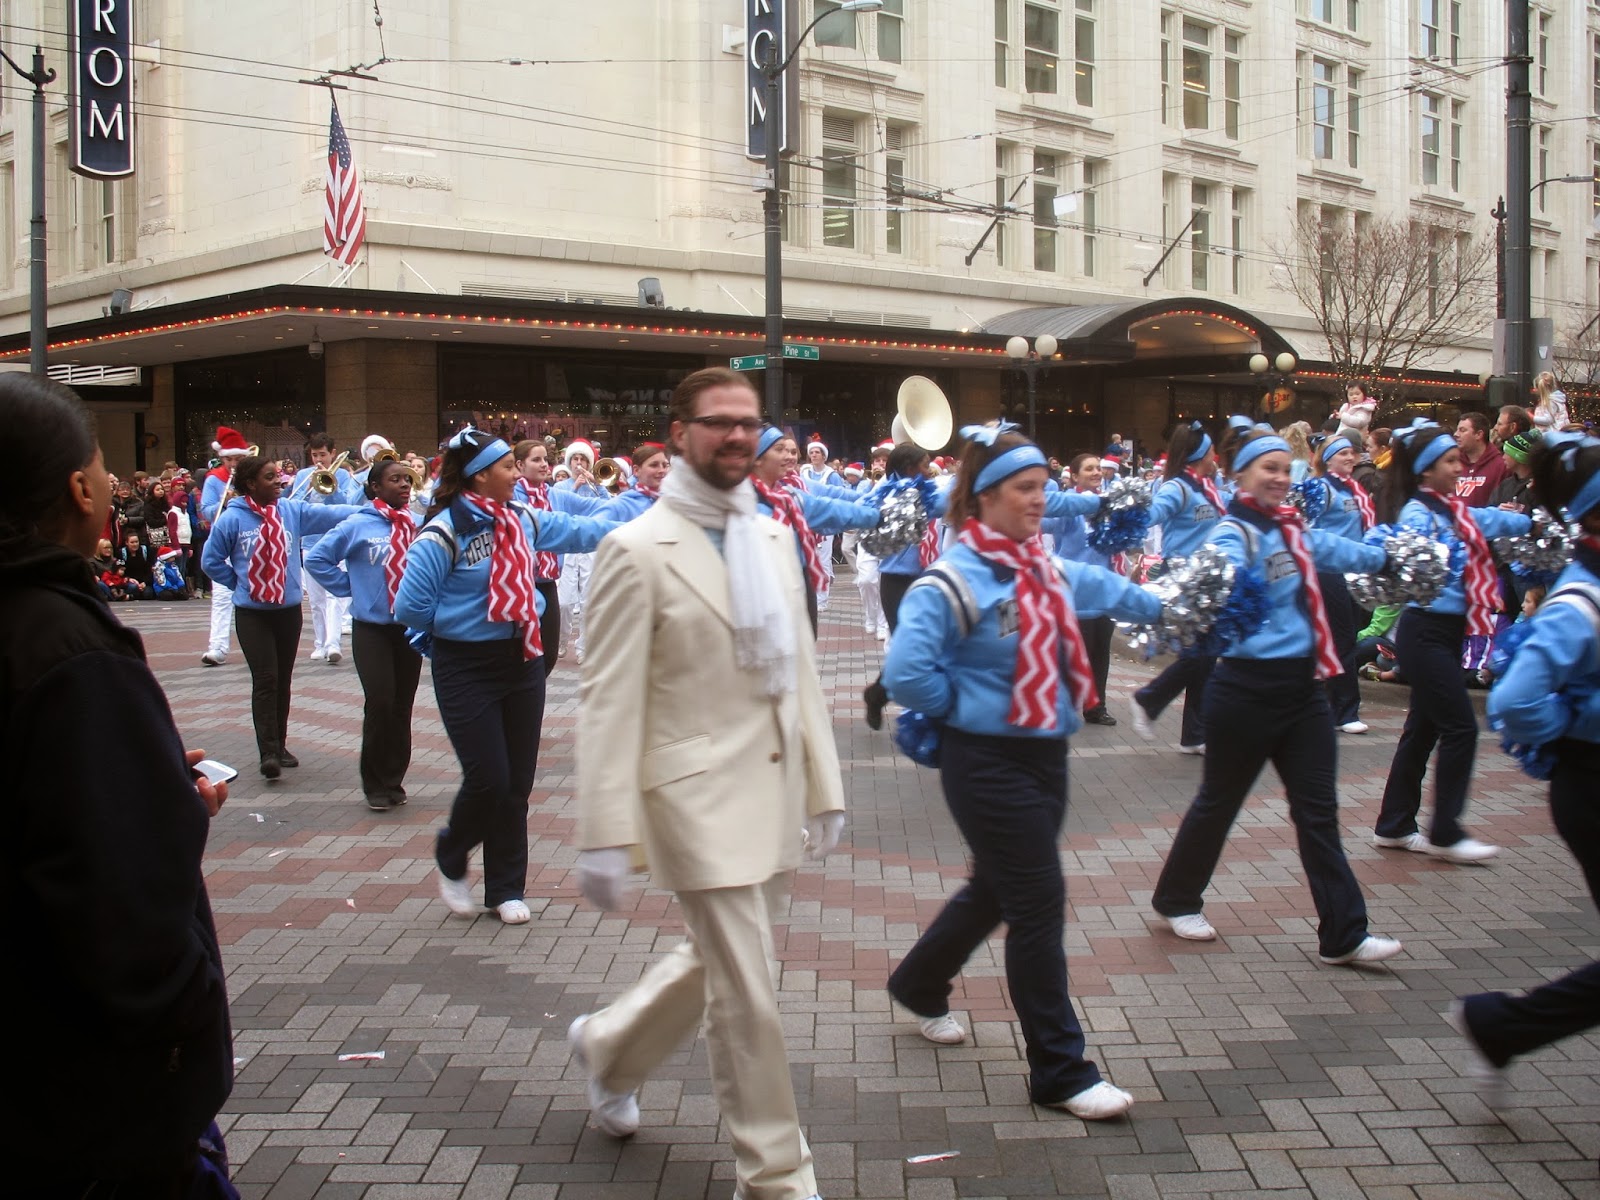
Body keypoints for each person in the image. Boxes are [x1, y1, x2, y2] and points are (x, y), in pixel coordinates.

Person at [569, 367, 845, 1200]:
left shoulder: (768, 534)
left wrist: (823, 783)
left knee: (720, 965)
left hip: (769, 788)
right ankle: (776, 1174)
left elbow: (797, 663)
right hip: (691, 797)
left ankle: (611, 1044)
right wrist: (603, 830)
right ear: (680, 432)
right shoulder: (633, 549)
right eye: (718, 422)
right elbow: (608, 698)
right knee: (750, 994)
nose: (735, 436)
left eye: (747, 423)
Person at [883, 422, 1162, 1121]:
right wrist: (967, 710)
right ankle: (1060, 1070)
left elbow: (1104, 588)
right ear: (983, 496)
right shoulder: (952, 580)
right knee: (1037, 905)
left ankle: (919, 981)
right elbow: (906, 673)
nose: (1042, 499)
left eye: (1044, 487)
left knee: (999, 892)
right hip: (985, 763)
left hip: (1046, 753)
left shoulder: (1043, 566)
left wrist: (1176, 607)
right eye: (1026, 488)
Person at [0, 374, 237, 1194]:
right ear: (80, 485)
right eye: (102, 464)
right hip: (83, 1091)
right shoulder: (66, 650)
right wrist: (183, 1031)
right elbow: (121, 903)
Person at [1150, 427, 1403, 966]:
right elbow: (1204, 582)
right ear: (1239, 474)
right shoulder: (1231, 536)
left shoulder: (1295, 529)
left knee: (1318, 814)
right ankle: (1176, 899)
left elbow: (1339, 549)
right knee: (1219, 803)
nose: (1280, 478)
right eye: (1268, 468)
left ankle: (1344, 934)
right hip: (1246, 692)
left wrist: (1388, 558)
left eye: (1286, 468)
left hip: (1305, 693)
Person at [394, 428, 617, 924]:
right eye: (508, 467)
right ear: (479, 476)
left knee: (517, 782)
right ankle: (452, 853)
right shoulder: (441, 534)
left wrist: (648, 512)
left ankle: (505, 888)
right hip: (465, 665)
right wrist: (460, 627)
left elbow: (581, 530)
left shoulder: (522, 518)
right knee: (488, 777)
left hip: (523, 659)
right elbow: (411, 606)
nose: (518, 474)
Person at [1453, 433, 1600, 1105]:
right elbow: (1515, 700)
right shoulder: (1579, 604)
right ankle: (1499, 1025)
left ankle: (1502, 1026)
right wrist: (1570, 731)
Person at [1372, 420, 1532, 862]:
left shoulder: (1450, 509)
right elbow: (1414, 560)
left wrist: (1527, 520)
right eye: (1448, 461)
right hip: (1424, 633)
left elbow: (1487, 518)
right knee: (1460, 727)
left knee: (1421, 731)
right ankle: (1445, 832)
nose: (1459, 467)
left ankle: (1393, 826)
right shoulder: (1419, 515)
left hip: (1443, 635)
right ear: (1426, 470)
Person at [202, 456, 363, 777]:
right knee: (266, 679)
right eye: (270, 477)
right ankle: (268, 752)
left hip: (287, 611)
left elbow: (331, 514)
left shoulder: (290, 511)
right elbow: (211, 560)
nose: (279, 481)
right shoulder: (232, 519)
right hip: (252, 614)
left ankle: (280, 743)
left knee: (283, 679)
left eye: (278, 476)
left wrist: (369, 510)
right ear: (251, 484)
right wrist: (240, 584)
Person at [305, 460, 425, 811]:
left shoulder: (416, 524)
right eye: (395, 480)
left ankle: (393, 779)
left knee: (402, 707)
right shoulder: (357, 524)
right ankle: (373, 782)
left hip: (408, 628)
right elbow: (318, 559)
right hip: (371, 629)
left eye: (407, 479)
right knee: (381, 702)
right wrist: (352, 588)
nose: (404, 484)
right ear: (374, 487)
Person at [1130, 422, 1225, 752]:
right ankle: (1148, 699)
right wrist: (1128, 514)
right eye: (1212, 451)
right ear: (1201, 455)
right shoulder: (1177, 489)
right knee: (1202, 653)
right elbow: (1152, 514)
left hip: (1207, 579)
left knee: (1206, 657)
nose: (1216, 456)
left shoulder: (1210, 488)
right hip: (1183, 580)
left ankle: (1195, 734)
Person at [751, 427, 880, 632]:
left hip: (797, 583)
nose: (788, 456)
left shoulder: (791, 494)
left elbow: (833, 505)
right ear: (757, 458)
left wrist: (877, 508)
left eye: (792, 451)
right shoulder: (740, 503)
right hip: (759, 597)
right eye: (779, 449)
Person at [512, 437, 614, 674]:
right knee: (521, 654)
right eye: (536, 460)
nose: (543, 465)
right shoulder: (519, 494)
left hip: (547, 579)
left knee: (547, 658)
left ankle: (579, 649)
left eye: (545, 459)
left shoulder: (552, 493)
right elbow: (558, 525)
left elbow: (600, 509)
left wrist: (641, 504)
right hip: (522, 582)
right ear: (519, 465)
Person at [1306, 430, 1379, 733]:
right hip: (1329, 573)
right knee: (1341, 638)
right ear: (1327, 459)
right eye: (1342, 453)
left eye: (1353, 452)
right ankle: (1345, 711)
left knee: (1343, 638)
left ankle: (1332, 707)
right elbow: (1307, 531)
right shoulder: (1320, 489)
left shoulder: (1353, 490)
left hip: (1353, 573)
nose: (1351, 457)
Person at [1050, 453, 1119, 726]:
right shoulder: (1069, 507)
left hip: (1103, 590)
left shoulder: (1110, 504)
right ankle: (1063, 704)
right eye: (1089, 469)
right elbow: (1051, 529)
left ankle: (1096, 706)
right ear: (1075, 476)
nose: (1096, 472)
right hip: (1075, 592)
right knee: (1072, 652)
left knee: (1100, 651)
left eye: (1099, 468)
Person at [284, 432, 361, 664]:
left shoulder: (342, 475)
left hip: (335, 542)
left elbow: (346, 505)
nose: (319, 460)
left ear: (333, 454)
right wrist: (308, 485)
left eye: (323, 455)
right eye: (315, 455)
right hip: (309, 542)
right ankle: (319, 643)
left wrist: (332, 486)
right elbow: (294, 505)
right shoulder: (303, 475)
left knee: (333, 596)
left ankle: (333, 643)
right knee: (316, 599)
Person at [199, 427, 255, 665]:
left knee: (254, 595)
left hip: (248, 542)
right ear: (222, 458)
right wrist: (226, 502)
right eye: (229, 459)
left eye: (238, 459)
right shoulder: (214, 479)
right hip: (224, 541)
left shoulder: (253, 477)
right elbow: (207, 509)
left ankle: (254, 646)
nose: (233, 464)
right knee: (221, 596)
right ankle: (218, 647)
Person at [554, 438, 607, 663]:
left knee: (588, 600)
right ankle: (561, 639)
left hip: (589, 546)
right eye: (575, 459)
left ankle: (583, 646)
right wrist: (574, 489)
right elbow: (557, 511)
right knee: (564, 601)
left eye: (583, 459)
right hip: (567, 546)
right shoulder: (560, 487)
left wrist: (597, 486)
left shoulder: (597, 487)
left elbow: (608, 508)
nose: (578, 464)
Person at [1453, 412, 1508, 507]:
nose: (1456, 434)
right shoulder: (1453, 464)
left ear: (1478, 434)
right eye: (1457, 430)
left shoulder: (1501, 466)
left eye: (1462, 430)